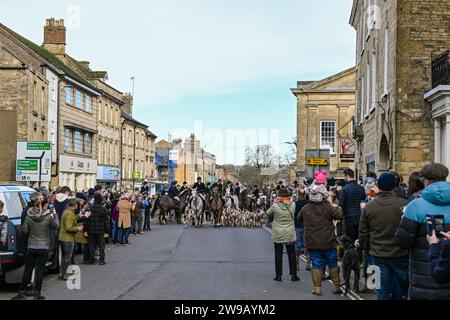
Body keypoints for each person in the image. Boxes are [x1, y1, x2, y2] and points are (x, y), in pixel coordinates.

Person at [396, 163, 450, 300]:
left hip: (423, 279)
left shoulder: (415, 206)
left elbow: (403, 241)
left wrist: (404, 222)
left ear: (425, 181)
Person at [359, 173, 409, 300]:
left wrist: (366, 248)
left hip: (377, 253)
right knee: (399, 287)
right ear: (394, 185)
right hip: (400, 253)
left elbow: (363, 232)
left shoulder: (369, 206)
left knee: (381, 288)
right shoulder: (404, 204)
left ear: (378, 186)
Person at [299, 180, 343, 295]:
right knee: (332, 262)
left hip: (312, 242)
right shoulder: (328, 208)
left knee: (316, 263)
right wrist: (332, 204)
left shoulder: (305, 208)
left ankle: (317, 288)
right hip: (328, 241)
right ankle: (336, 286)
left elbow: (299, 218)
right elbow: (340, 215)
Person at [13, 195, 59, 300]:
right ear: (45, 205)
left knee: (28, 270)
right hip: (44, 247)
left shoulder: (29, 216)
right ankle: (37, 293)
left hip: (31, 246)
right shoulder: (48, 217)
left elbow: (24, 230)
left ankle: (21, 292)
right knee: (40, 270)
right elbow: (56, 227)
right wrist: (54, 215)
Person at [266, 188, 299, 282]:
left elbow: (267, 212)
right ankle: (293, 275)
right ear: (288, 196)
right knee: (291, 254)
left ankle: (278, 276)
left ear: (279, 196)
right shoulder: (293, 204)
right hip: (289, 232)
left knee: (278, 254)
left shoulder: (275, 205)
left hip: (278, 232)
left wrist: (275, 202)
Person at [59, 198, 85, 280]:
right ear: (75, 205)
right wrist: (78, 228)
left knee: (65, 256)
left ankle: (61, 273)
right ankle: (66, 274)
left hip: (63, 237)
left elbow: (71, 220)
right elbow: (69, 227)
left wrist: (78, 216)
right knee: (67, 257)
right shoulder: (70, 214)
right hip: (67, 238)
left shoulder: (67, 212)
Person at [338, 169, 366, 242]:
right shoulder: (361, 188)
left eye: (344, 177)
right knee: (358, 239)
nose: (344, 179)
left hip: (348, 217)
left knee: (349, 240)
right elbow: (363, 202)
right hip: (359, 217)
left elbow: (341, 204)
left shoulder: (344, 189)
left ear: (347, 176)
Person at [86, 194, 109, 265]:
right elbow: (106, 221)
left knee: (92, 245)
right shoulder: (103, 209)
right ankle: (101, 260)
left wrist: (86, 229)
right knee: (101, 245)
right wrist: (107, 230)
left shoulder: (90, 208)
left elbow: (86, 219)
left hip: (91, 229)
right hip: (101, 229)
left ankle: (91, 259)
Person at [294, 189, 309, 271]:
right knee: (307, 245)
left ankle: (297, 266)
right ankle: (308, 264)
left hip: (297, 226)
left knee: (297, 245)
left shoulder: (295, 204)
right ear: (305, 194)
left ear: (298, 194)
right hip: (307, 226)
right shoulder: (308, 203)